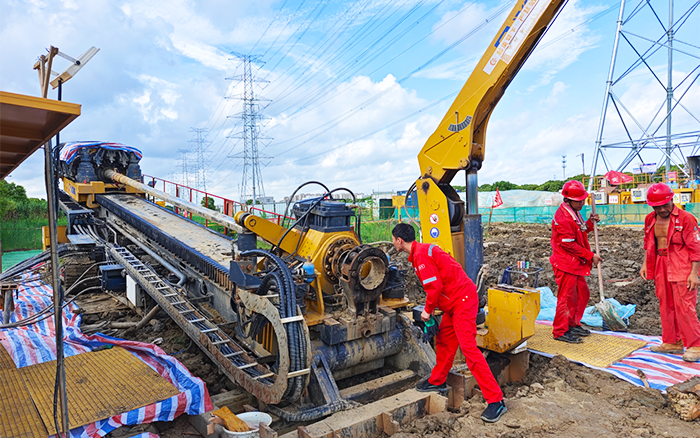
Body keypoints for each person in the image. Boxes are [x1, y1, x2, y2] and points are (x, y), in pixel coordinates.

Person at [391, 223, 506, 423]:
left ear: (399, 240)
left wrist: (427, 311)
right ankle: (437, 380)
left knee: (469, 350)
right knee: (445, 340)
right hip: (454, 302)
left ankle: (496, 401)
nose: (393, 242)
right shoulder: (422, 252)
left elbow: (434, 287)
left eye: (393, 239)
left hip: (462, 302)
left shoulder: (421, 256)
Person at [640, 183, 700, 362]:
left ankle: (695, 345)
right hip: (660, 263)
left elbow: (696, 248)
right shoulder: (650, 219)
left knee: (685, 306)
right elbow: (648, 243)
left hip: (681, 264)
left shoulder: (686, 219)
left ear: (672, 199)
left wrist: (694, 274)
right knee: (665, 304)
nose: (662, 209)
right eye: (657, 206)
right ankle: (672, 341)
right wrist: (645, 264)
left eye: (665, 205)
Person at [550, 180, 602, 344]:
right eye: (578, 201)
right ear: (567, 200)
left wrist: (589, 223)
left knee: (582, 294)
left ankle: (572, 324)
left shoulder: (573, 213)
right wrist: (590, 256)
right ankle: (560, 331)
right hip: (566, 263)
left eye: (582, 200)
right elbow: (569, 244)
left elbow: (579, 232)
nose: (582, 203)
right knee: (567, 298)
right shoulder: (564, 218)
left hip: (574, 262)